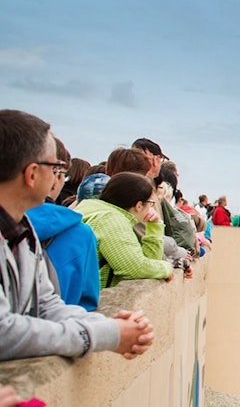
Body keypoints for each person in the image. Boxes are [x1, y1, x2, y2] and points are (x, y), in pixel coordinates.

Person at [0, 110, 154, 361]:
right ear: (31, 174)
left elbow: (46, 304)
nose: (59, 176)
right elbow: (5, 333)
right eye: (57, 167)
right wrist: (107, 334)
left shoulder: (22, 229)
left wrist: (106, 325)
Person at [26, 137, 102, 310]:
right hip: (60, 328)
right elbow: (87, 303)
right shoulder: (80, 234)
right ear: (55, 176)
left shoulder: (12, 227)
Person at [75, 173, 181, 288]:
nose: (151, 208)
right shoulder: (111, 220)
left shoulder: (94, 210)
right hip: (87, 300)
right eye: (150, 203)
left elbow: (149, 262)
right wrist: (167, 268)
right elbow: (135, 269)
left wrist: (154, 226)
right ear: (139, 205)